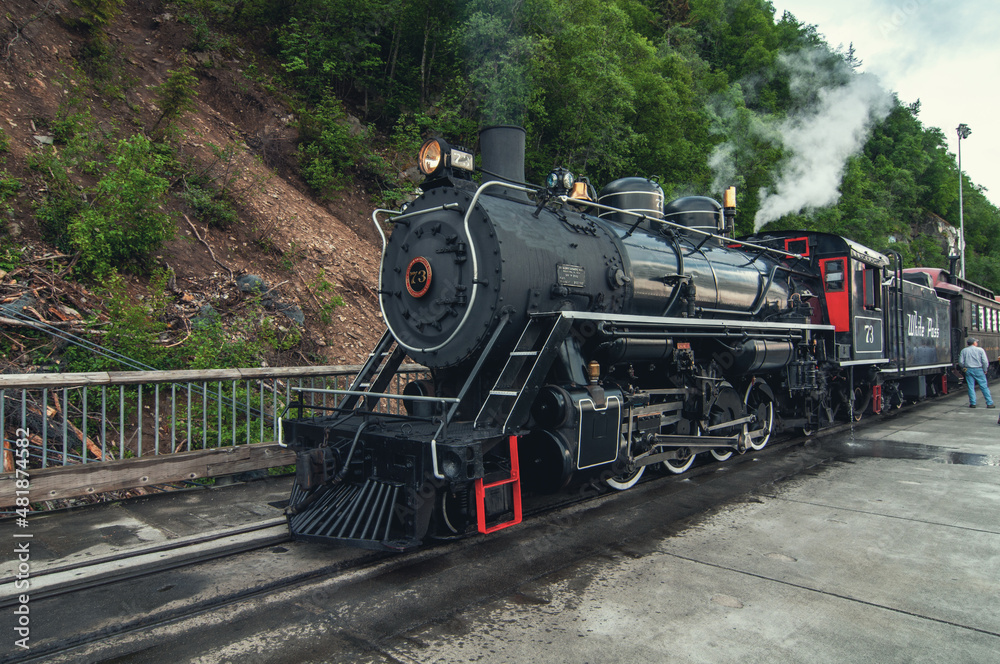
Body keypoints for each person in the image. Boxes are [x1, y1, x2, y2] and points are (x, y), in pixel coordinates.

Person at [958, 337, 994, 409]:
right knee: (984, 387)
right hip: (979, 370)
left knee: (971, 387)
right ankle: (989, 403)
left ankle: (972, 403)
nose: (977, 343)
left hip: (968, 370)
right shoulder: (980, 350)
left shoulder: (964, 351)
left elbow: (961, 362)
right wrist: (985, 369)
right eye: (976, 342)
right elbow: (985, 361)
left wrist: (963, 368)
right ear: (974, 343)